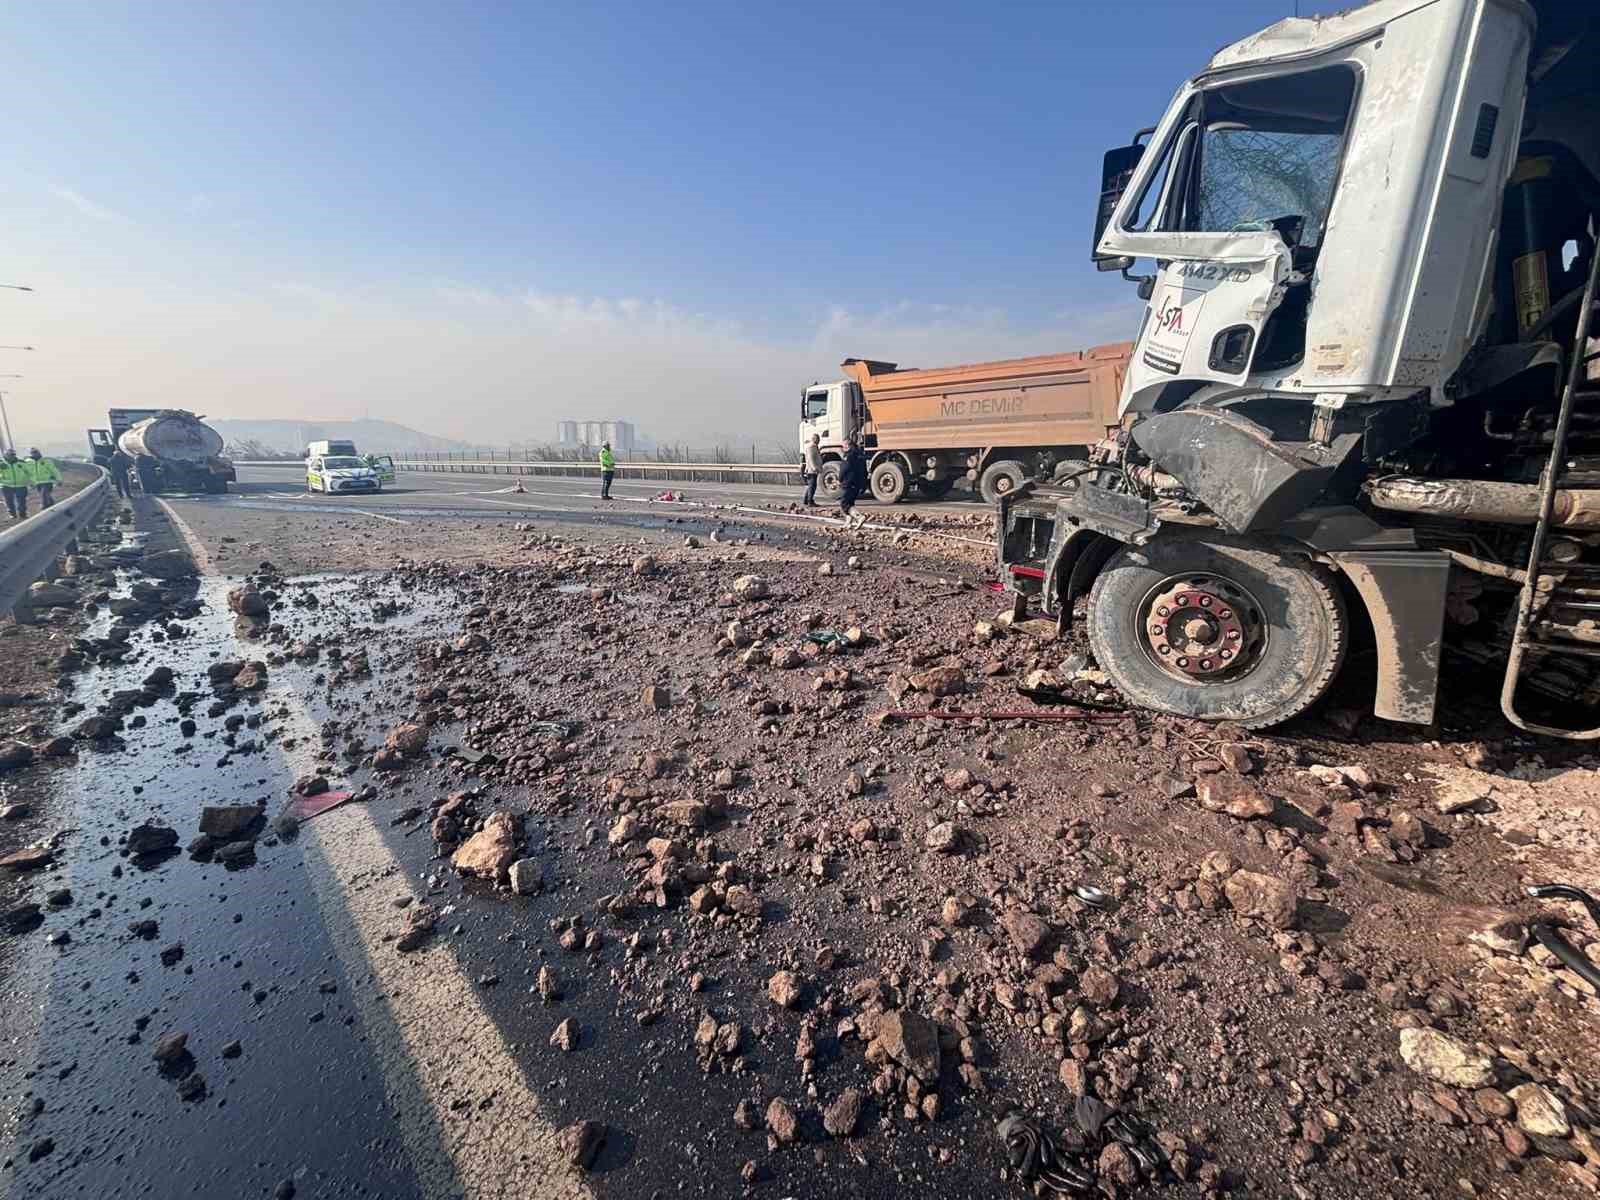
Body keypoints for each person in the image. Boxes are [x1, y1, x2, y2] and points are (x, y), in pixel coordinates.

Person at [838, 436, 867, 529]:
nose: (842, 448)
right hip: (857, 483)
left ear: (847, 445)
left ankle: (859, 517)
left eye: (843, 446)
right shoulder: (860, 454)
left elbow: (844, 469)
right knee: (850, 502)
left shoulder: (848, 455)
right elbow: (864, 470)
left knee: (844, 503)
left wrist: (840, 479)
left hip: (848, 482)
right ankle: (848, 522)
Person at [1, 448, 29, 519]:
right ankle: (12, 514)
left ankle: (23, 514)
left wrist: (31, 482)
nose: (12, 456)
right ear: (6, 455)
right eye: (10, 455)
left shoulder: (22, 463)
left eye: (13, 454)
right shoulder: (1, 464)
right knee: (9, 501)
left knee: (21, 501)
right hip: (7, 485)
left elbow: (29, 472)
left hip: (21, 485)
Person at [802, 434, 822, 507]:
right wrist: (814, 468)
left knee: (811, 485)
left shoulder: (813, 447)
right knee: (812, 486)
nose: (819, 440)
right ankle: (810, 501)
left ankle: (806, 500)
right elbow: (811, 459)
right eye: (818, 439)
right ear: (814, 439)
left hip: (812, 469)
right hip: (811, 470)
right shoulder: (811, 447)